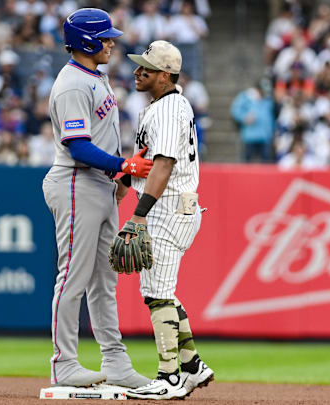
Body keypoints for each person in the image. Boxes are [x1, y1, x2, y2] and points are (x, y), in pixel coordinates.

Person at [42, 8, 152, 389]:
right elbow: (77, 147)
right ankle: (64, 363)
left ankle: (115, 361)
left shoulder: (95, 77)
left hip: (99, 184)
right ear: (87, 41)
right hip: (76, 181)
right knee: (73, 275)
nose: (111, 42)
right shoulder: (73, 83)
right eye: (105, 37)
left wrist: (119, 175)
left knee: (105, 280)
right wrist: (124, 166)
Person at [120, 40, 214, 400]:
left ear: (164, 75)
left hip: (169, 207)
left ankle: (169, 376)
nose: (137, 71)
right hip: (173, 206)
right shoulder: (163, 107)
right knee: (161, 292)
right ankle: (191, 365)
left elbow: (164, 164)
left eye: (145, 67)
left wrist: (138, 215)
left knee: (157, 294)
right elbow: (146, 162)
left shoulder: (169, 109)